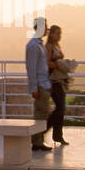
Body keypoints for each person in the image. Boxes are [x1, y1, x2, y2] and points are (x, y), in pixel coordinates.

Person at [26, 16, 53, 151]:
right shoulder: (33, 46)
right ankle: (36, 141)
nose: (47, 29)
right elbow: (31, 69)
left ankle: (38, 140)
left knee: (42, 114)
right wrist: (34, 88)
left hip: (45, 84)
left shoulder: (39, 44)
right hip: (40, 86)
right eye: (45, 26)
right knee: (41, 115)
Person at [45, 24, 71, 146]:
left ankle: (57, 135)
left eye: (60, 33)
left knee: (61, 109)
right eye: (57, 33)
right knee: (60, 108)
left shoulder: (57, 46)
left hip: (59, 80)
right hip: (52, 81)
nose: (59, 36)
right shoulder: (49, 46)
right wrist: (60, 65)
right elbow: (47, 63)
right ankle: (45, 130)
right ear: (52, 34)